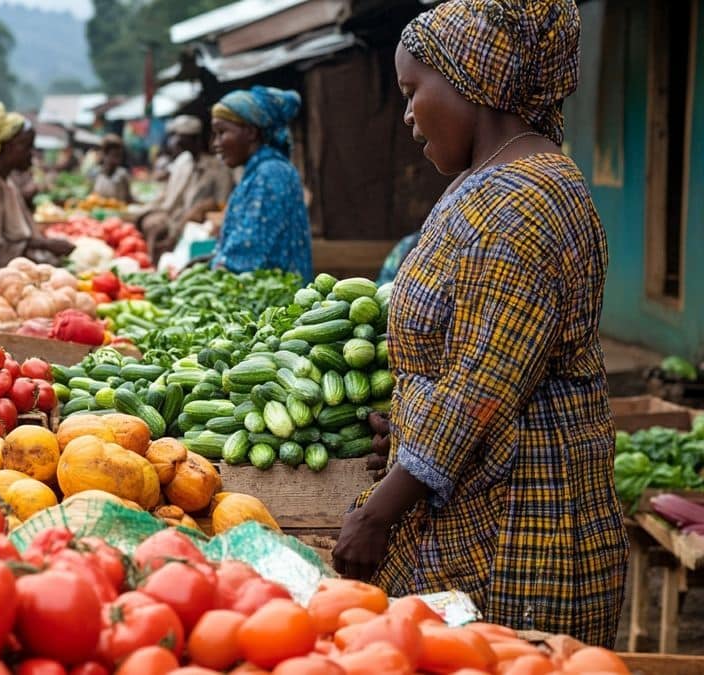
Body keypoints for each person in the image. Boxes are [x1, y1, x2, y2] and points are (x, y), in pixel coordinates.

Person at [332, 0, 627, 646]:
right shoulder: (492, 181)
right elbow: (467, 350)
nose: (407, 114)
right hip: (484, 509)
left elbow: (481, 386)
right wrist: (408, 426)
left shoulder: (524, 203)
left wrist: (379, 511)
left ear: (471, 76)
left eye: (412, 91)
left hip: (523, 540)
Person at [0, 101, 75, 284]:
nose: (31, 154)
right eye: (26, 146)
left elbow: (13, 233)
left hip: (9, 282)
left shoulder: (4, 179)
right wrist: (45, 245)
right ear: (6, 146)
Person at [209, 87, 312, 277]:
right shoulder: (258, 172)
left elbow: (248, 251)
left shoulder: (270, 173)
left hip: (277, 302)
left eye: (222, 132)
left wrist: (215, 268)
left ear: (250, 132)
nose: (216, 143)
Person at [140, 115, 234, 259]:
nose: (176, 142)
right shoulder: (183, 162)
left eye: (182, 137)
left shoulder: (219, 169)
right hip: (176, 217)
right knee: (152, 224)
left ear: (196, 139)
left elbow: (222, 205)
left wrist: (201, 209)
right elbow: (169, 198)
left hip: (200, 224)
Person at [91, 134, 132, 203]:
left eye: (119, 156)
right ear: (105, 154)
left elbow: (128, 199)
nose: (117, 160)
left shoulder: (123, 175)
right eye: (114, 155)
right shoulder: (95, 173)